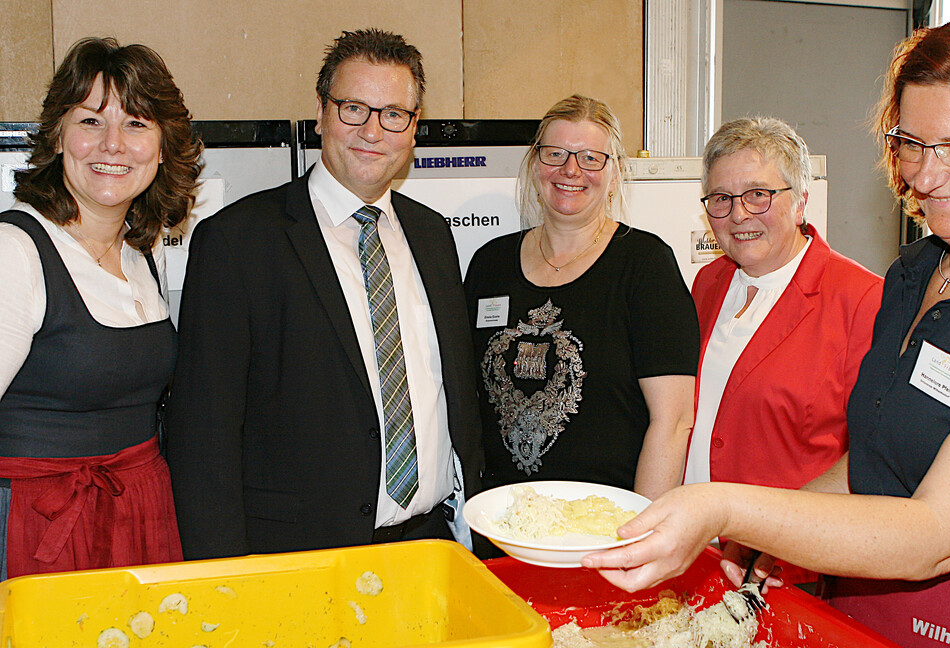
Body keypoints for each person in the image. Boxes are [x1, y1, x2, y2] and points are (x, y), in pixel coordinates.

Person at [583, 8, 950, 646]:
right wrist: (766, 539)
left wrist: (727, 505)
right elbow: (869, 462)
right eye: (912, 145)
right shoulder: (913, 275)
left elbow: (936, 534)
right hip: (863, 614)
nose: (926, 177)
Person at [165, 28, 483, 559]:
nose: (372, 131)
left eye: (393, 114)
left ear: (413, 128)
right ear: (321, 112)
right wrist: (224, 581)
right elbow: (203, 437)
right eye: (354, 107)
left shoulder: (432, 235)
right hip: (297, 558)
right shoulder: (238, 242)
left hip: (431, 548)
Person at [0, 37, 201, 578]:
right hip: (38, 526)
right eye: (90, 121)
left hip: (140, 515)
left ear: (162, 147)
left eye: (136, 123)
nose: (112, 144)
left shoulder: (140, 254)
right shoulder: (16, 252)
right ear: (58, 137)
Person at [464, 95, 698, 500]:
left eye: (590, 157)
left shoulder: (644, 264)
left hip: (603, 526)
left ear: (614, 173)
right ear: (535, 163)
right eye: (555, 153)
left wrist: (639, 534)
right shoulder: (489, 263)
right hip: (501, 521)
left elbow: (674, 420)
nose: (570, 170)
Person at [686, 116, 882, 587]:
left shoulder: (861, 300)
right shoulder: (707, 283)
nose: (737, 215)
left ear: (801, 201)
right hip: (697, 552)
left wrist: (777, 537)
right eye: (721, 199)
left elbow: (872, 455)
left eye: (758, 194)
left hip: (786, 570)